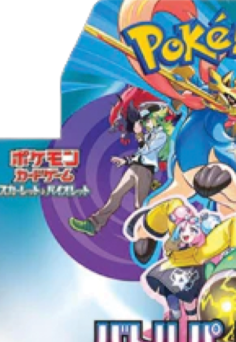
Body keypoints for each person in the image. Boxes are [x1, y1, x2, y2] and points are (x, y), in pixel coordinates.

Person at [69, 107, 170, 262]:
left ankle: (146, 237)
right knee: (115, 195)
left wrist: (138, 135)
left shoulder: (161, 135)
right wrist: (125, 160)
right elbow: (139, 155)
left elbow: (146, 151)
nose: (146, 123)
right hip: (135, 167)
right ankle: (93, 224)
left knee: (139, 204)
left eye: (148, 119)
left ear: (157, 119)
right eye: (144, 120)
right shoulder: (148, 135)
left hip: (145, 171)